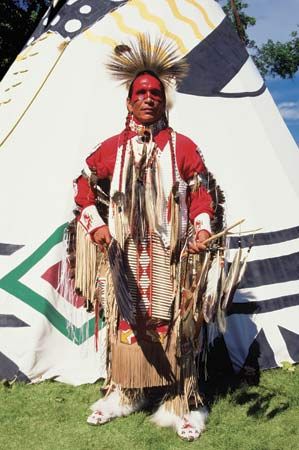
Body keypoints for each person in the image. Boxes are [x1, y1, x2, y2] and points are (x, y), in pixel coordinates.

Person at [73, 35, 221, 441]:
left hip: (170, 254)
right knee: (128, 323)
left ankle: (180, 400)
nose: (150, 98)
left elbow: (201, 190)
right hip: (125, 256)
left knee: (175, 324)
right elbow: (82, 187)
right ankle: (127, 391)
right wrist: (97, 226)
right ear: (129, 100)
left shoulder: (181, 147)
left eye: (156, 92)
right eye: (142, 92)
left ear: (164, 100)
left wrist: (202, 228)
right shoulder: (112, 148)